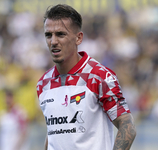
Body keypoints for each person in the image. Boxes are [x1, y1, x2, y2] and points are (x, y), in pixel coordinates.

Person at [36, 4, 136, 150]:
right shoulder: (43, 83)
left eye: (60, 34)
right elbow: (53, 134)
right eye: (48, 35)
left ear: (78, 38)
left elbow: (127, 126)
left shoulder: (99, 76)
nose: (53, 41)